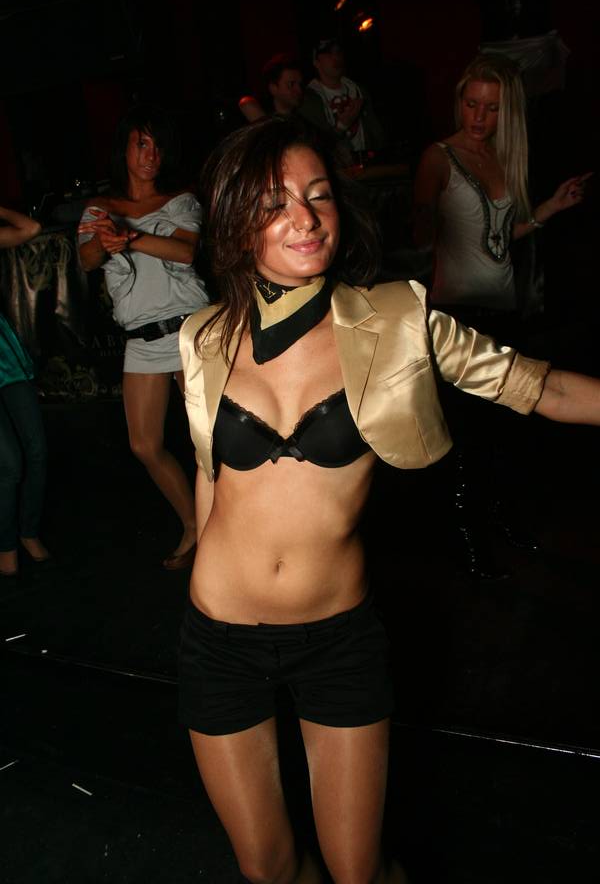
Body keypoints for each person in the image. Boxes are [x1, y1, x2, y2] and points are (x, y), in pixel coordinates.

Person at [177, 116, 600, 883]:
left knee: (358, 872)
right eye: (275, 204)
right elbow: (213, 475)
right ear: (237, 224)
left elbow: (544, 389)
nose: (306, 218)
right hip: (219, 640)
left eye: (318, 196)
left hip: (337, 641)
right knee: (268, 870)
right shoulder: (203, 338)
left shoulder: (396, 324)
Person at [412, 52, 592, 577]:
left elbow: (499, 237)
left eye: (491, 108)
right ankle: (467, 540)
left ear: (506, 112)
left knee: (507, 428)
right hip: (457, 313)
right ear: (460, 102)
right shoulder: (438, 158)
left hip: (503, 307)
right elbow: (419, 233)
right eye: (472, 104)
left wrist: (550, 209)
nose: (479, 116)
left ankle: (501, 519)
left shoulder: (503, 157)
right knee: (467, 435)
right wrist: (423, 225)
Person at [78, 105, 209, 570]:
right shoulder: (100, 209)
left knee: (211, 441)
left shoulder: (181, 200)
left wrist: (129, 238)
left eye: (158, 146)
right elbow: (88, 260)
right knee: (144, 445)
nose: (152, 155)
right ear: (125, 150)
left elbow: (185, 251)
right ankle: (194, 526)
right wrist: (105, 240)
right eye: (142, 144)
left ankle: (230, 529)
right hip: (142, 338)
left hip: (191, 331)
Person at [0, 205, 50, 578]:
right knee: (9, 463)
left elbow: (31, 228)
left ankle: (28, 531)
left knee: (37, 449)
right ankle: (6, 544)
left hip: (5, 357)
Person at [299, 38, 386, 162]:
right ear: (316, 62)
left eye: (338, 52)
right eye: (329, 54)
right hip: (335, 167)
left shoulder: (358, 90)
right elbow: (316, 143)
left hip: (366, 162)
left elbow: (375, 130)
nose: (336, 57)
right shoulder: (307, 99)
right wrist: (342, 125)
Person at [239, 53, 305, 123]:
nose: (299, 90)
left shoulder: (302, 120)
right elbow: (245, 103)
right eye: (291, 84)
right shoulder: (259, 109)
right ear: (273, 88)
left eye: (300, 84)